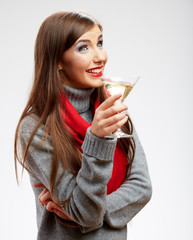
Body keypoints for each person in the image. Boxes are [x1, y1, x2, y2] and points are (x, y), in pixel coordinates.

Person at [14, 11, 152, 240]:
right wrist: (98, 139)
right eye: (83, 47)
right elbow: (86, 212)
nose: (100, 56)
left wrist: (92, 213)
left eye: (99, 43)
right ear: (57, 60)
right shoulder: (35, 128)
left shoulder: (110, 112)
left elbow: (142, 187)